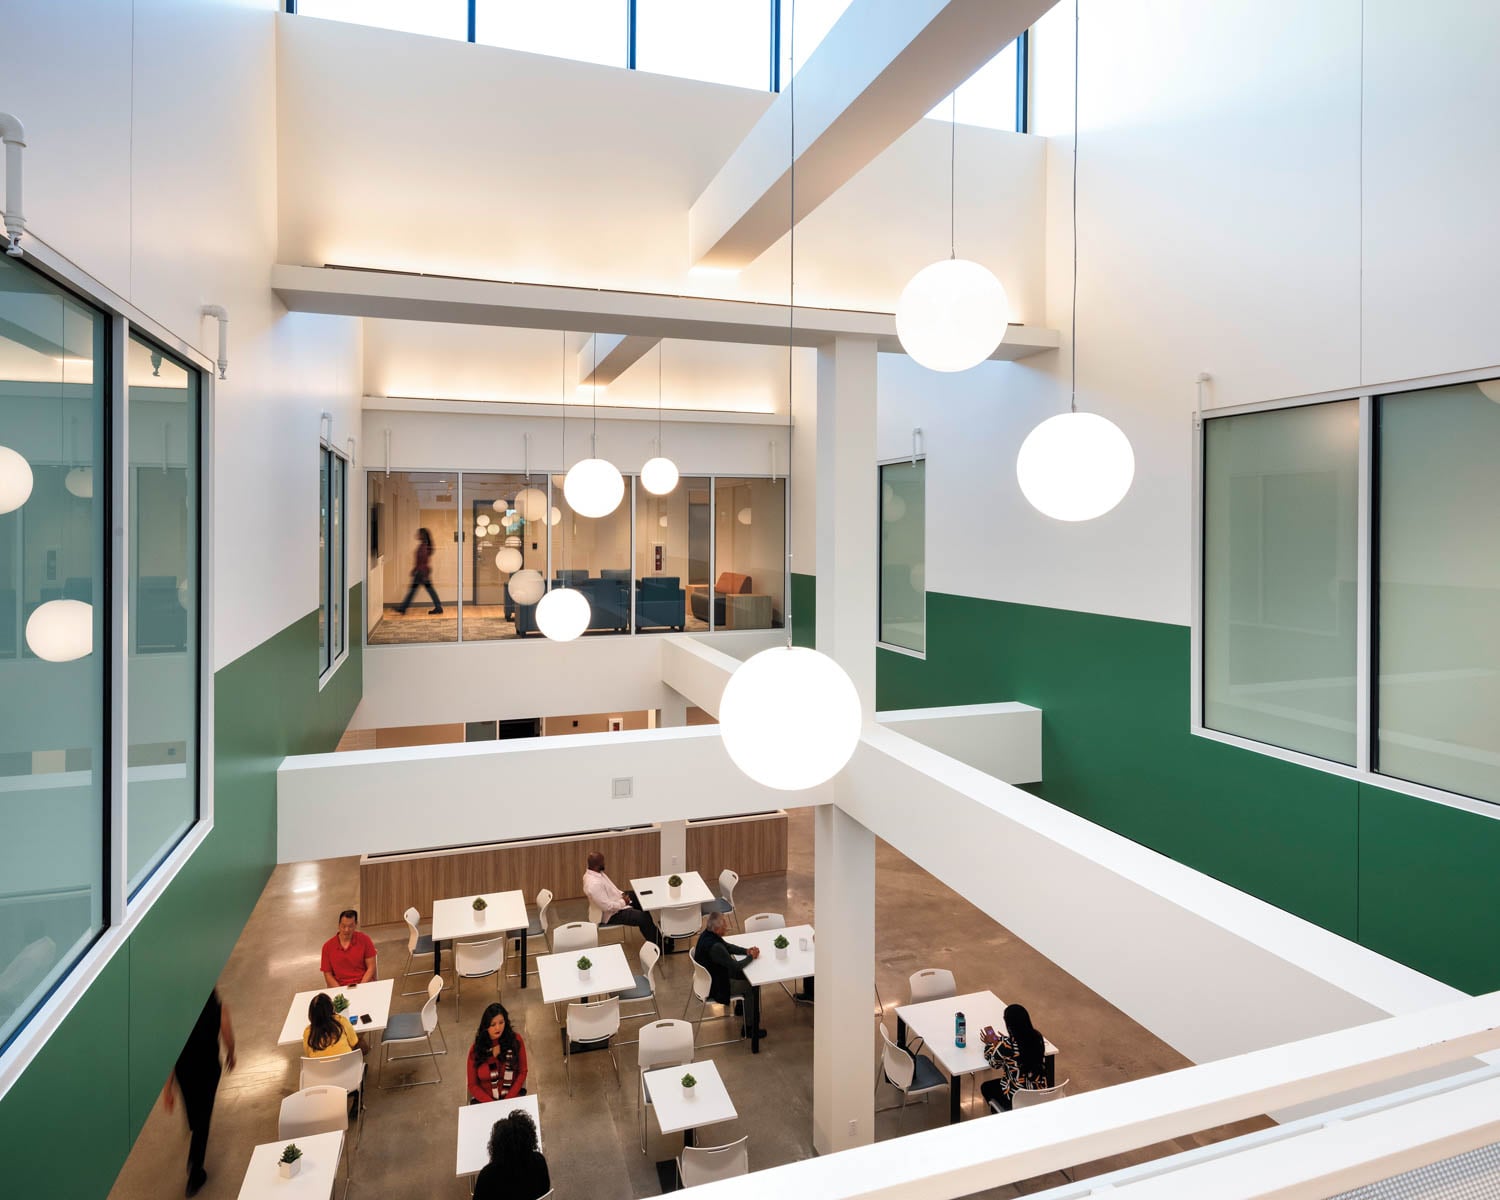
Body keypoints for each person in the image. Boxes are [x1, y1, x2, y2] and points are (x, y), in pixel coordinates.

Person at [162, 989, 235, 1198]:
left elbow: (169, 1051)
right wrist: (231, 1052)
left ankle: (195, 1134)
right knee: (204, 1114)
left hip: (184, 1072)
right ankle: (196, 1171)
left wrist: (168, 1088)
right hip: (209, 1066)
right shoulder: (215, 1005)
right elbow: (226, 1029)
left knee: (195, 1110)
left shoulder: (175, 1015)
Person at [694, 910, 766, 1051]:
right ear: (716, 928)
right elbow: (736, 965)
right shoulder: (715, 947)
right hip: (716, 987)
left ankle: (741, 1009)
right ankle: (750, 1029)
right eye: (724, 927)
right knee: (750, 986)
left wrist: (746, 951)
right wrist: (752, 957)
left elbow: (727, 947)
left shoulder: (707, 935)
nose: (726, 928)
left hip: (706, 979)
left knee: (742, 975)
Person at [581, 850, 661, 947]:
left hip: (614, 902)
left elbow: (611, 888)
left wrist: (622, 894)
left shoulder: (594, 872)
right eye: (603, 862)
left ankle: (654, 935)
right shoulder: (594, 884)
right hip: (610, 914)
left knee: (637, 897)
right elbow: (608, 907)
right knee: (643, 918)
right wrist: (624, 902)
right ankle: (658, 945)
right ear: (597, 865)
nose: (605, 863)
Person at [979, 1003, 1049, 1112]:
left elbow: (993, 1062)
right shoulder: (1037, 1038)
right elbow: (1022, 1047)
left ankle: (1003, 1115)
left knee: (986, 1087)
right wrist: (1005, 1040)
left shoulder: (1006, 1046)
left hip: (1016, 1098)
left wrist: (990, 1044)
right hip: (1038, 1095)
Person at [472, 1109, 550, 1200]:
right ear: (530, 1139)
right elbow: (545, 1190)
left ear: (496, 1147)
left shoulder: (487, 1177)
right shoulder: (539, 1161)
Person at [467, 1001, 529, 1104]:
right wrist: (492, 1104)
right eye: (493, 1024)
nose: (498, 1028)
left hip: (512, 1097)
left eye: (501, 1022)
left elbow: (523, 1072)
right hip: (485, 1102)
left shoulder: (515, 1041)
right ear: (486, 1026)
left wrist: (507, 1100)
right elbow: (472, 1085)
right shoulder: (476, 1049)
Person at [320, 908, 377, 988]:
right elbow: (328, 975)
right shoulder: (327, 947)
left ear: (356, 925)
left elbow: (371, 967)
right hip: (340, 986)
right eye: (343, 926)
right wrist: (340, 991)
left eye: (350, 926)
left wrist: (360, 987)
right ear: (338, 925)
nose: (346, 930)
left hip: (363, 983)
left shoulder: (365, 940)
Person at [395, 526, 442, 615]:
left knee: (413, 591)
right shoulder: (424, 545)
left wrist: (418, 571)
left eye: (418, 533)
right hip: (422, 572)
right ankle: (438, 607)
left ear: (422, 535)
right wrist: (415, 569)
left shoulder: (423, 546)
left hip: (421, 573)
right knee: (425, 590)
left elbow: (422, 560)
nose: (417, 535)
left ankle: (403, 608)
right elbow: (421, 560)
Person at [303, 991, 360, 1059]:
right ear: (331, 1008)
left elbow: (308, 1054)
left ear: (311, 1014)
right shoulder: (341, 1021)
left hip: (320, 1069)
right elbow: (354, 1042)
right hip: (347, 1066)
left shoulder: (308, 1032)